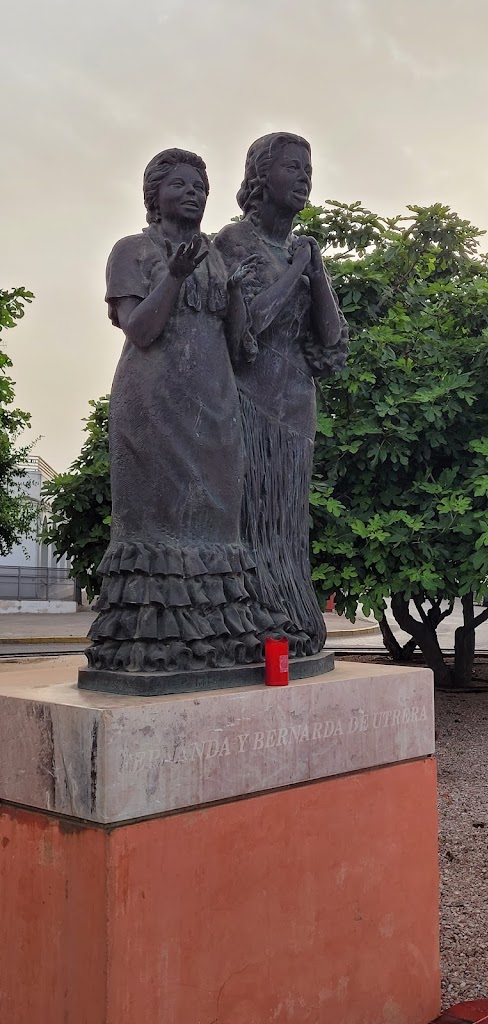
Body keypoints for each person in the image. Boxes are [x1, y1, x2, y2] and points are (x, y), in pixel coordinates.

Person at [87, 148, 285, 675]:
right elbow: (139, 330)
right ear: (154, 195)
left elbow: (240, 346)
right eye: (179, 184)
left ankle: (216, 644)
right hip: (154, 403)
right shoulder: (132, 250)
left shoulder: (214, 256)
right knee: (157, 523)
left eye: (200, 186)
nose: (193, 193)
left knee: (217, 522)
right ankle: (151, 648)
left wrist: (236, 291)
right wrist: (173, 277)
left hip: (214, 403)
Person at [215, 133, 348, 656]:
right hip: (249, 401)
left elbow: (332, 340)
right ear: (260, 178)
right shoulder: (234, 241)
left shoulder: (301, 250)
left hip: (296, 404)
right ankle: (251, 618)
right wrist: (296, 271)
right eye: (293, 167)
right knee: (251, 514)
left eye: (308, 168)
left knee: (288, 521)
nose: (304, 177)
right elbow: (245, 328)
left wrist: (315, 270)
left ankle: (292, 616)